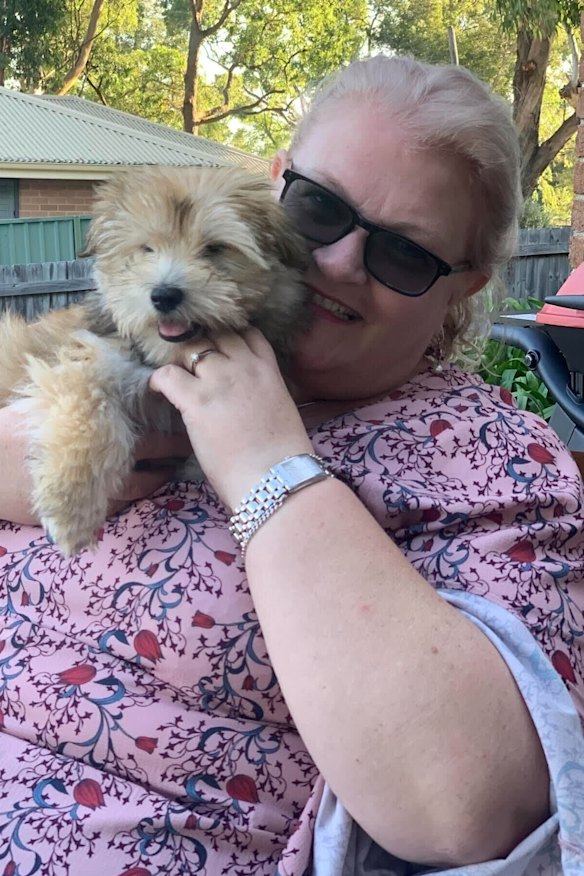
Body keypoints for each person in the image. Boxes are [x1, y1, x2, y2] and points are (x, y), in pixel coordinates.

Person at [0, 54, 583, 876]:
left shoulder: (493, 461)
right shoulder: (140, 341)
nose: (340, 263)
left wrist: (268, 461)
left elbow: (461, 807)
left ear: (463, 287)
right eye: (319, 209)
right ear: (277, 190)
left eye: (405, 256)